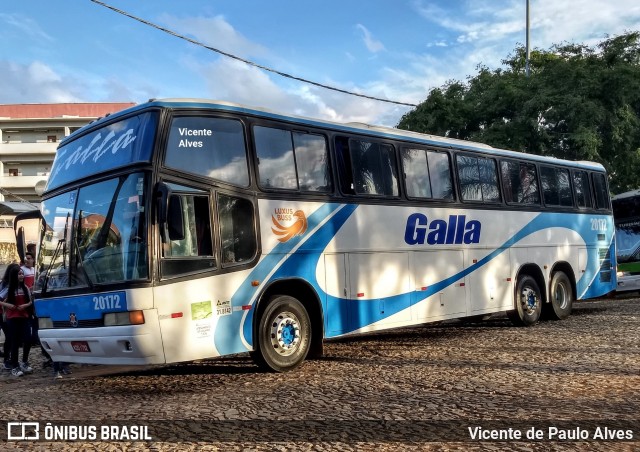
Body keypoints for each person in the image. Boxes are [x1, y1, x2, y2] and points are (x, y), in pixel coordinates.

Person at [0, 266, 35, 376]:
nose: (21, 275)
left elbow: (30, 302)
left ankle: (24, 362)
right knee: (15, 342)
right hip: (12, 318)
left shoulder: (25, 288)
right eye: (19, 274)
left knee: (28, 339)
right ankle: (14, 366)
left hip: (23, 317)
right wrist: (9, 305)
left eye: (22, 274)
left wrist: (25, 305)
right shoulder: (9, 288)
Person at [0, 263, 21, 371]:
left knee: (11, 337)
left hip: (6, 313)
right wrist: (7, 304)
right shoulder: (6, 285)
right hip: (2, 313)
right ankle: (7, 359)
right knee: (9, 337)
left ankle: (9, 358)